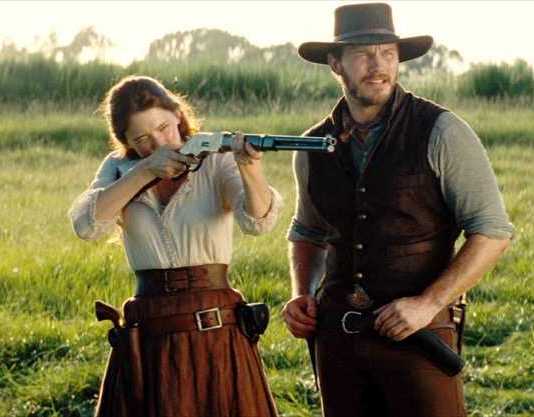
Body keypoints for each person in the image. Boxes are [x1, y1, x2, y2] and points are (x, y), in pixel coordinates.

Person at [282, 3, 514, 417]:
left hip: (420, 335)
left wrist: (427, 304)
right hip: (338, 340)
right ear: (335, 63)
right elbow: (308, 232)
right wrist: (301, 293)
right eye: (363, 54)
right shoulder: (313, 144)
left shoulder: (442, 130)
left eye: (387, 53)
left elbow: (492, 232)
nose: (378, 66)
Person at [69, 75, 281, 417]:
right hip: (150, 328)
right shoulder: (118, 168)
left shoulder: (214, 158)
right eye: (142, 139)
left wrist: (250, 168)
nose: (158, 143)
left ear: (178, 115)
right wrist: (145, 172)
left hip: (215, 324)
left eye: (164, 128)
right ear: (125, 141)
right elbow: (87, 225)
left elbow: (258, 221)